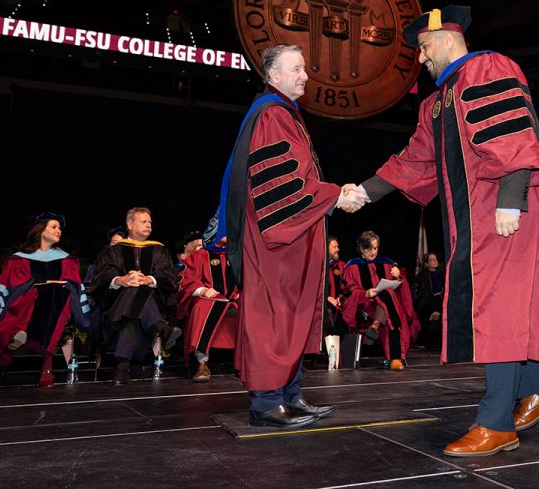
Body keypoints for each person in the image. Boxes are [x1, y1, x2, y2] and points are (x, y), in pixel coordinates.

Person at [357, 5, 539, 457]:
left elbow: (512, 135)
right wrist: (363, 192)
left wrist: (512, 198)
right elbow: (414, 160)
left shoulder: (485, 68)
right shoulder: (436, 103)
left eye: (425, 47)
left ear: (449, 40)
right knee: (498, 307)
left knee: (500, 309)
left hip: (506, 210)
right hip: (473, 221)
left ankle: (496, 423)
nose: (421, 59)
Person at [208, 43, 365, 429]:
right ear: (274, 76)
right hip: (275, 240)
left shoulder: (283, 113)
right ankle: (265, 404)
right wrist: (335, 196)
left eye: (304, 69)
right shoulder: (272, 115)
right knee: (272, 317)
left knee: (292, 316)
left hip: (292, 239)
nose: (305, 76)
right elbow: (285, 183)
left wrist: (330, 195)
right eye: (296, 69)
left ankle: (290, 395)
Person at [0, 212, 91, 386]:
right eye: (54, 227)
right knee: (44, 292)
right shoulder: (18, 260)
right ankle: (46, 365)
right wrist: (42, 284)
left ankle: (22, 334)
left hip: (59, 306)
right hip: (27, 304)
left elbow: (75, 285)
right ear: (40, 231)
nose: (59, 231)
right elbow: (6, 287)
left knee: (55, 293)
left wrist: (56, 285)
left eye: (60, 228)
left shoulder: (66, 260)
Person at [88, 207, 181, 385]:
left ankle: (122, 366)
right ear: (130, 224)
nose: (149, 226)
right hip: (116, 302)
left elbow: (168, 278)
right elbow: (101, 277)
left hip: (150, 301)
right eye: (143, 222)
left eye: (150, 223)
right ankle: (160, 327)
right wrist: (121, 280)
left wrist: (149, 279)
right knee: (131, 290)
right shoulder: (113, 251)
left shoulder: (159, 250)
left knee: (136, 293)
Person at [341, 231, 417, 370]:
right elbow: (348, 290)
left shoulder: (387, 263)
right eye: (368, 248)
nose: (372, 252)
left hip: (385, 305)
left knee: (388, 298)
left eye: (375, 248)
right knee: (391, 310)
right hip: (365, 305)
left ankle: (376, 327)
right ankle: (395, 358)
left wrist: (398, 276)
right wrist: (366, 293)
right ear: (361, 249)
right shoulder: (352, 267)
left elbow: (401, 287)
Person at [177, 241, 239, 382]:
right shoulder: (201, 255)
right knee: (201, 308)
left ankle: (247, 363)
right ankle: (201, 363)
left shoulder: (237, 253)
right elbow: (188, 280)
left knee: (252, 310)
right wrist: (203, 290)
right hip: (208, 299)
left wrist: (241, 292)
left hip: (234, 300)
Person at [412, 252, 444, 348]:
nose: (435, 261)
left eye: (436, 259)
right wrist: (433, 295)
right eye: (431, 260)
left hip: (441, 303)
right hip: (428, 305)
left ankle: (438, 313)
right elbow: (419, 295)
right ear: (426, 264)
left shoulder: (443, 274)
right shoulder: (421, 276)